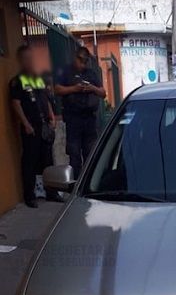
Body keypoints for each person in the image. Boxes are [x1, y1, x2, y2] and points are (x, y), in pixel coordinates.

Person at [9, 45, 61, 208]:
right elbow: (16, 104)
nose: (29, 61)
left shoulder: (38, 79)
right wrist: (25, 124)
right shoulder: (17, 81)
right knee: (30, 162)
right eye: (26, 58)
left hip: (44, 126)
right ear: (20, 60)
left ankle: (51, 193)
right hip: (30, 128)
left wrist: (52, 118)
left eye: (31, 58)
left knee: (48, 162)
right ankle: (30, 196)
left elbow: (45, 100)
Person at [55, 47, 106, 179]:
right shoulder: (66, 72)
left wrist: (92, 88)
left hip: (89, 120)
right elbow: (57, 90)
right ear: (75, 57)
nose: (83, 64)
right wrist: (74, 88)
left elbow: (103, 93)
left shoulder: (91, 73)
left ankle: (89, 181)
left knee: (90, 155)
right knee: (74, 155)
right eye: (81, 60)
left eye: (85, 61)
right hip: (73, 119)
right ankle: (76, 183)